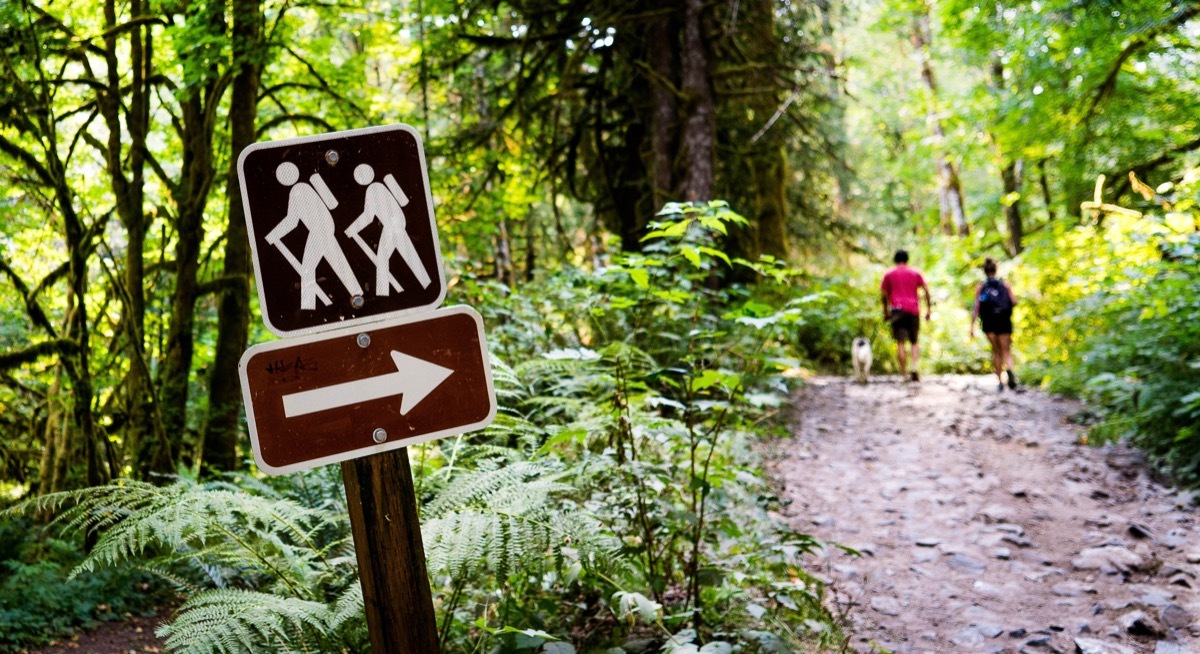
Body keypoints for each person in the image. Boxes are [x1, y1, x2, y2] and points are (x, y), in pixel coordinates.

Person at [880, 250, 932, 382]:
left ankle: (903, 375)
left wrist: (886, 311)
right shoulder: (915, 273)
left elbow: (884, 294)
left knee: (901, 342)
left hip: (897, 310)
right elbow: (926, 289)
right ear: (907, 259)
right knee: (914, 342)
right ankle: (914, 367)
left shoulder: (889, 274)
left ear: (895, 260)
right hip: (913, 310)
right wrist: (929, 309)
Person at [970, 257, 1018, 391]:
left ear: (985, 272)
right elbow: (1014, 302)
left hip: (989, 322)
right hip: (1003, 320)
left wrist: (972, 327)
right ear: (996, 270)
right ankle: (1009, 370)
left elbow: (976, 308)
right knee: (1006, 350)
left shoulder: (980, 287)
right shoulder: (1005, 285)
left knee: (996, 352)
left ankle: (1000, 382)